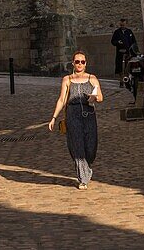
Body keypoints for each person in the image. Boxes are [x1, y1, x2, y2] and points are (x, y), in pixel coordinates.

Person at [48, 50, 103, 189]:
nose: (80, 64)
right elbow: (61, 100)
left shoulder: (92, 78)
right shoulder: (67, 80)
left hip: (89, 114)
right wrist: (54, 118)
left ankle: (87, 168)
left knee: (91, 147)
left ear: (85, 64)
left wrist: (94, 97)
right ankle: (83, 179)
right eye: (77, 61)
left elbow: (101, 97)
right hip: (73, 115)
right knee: (77, 146)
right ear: (73, 63)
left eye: (82, 62)